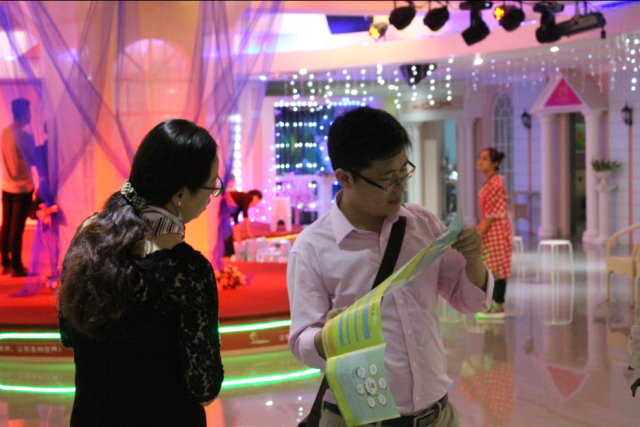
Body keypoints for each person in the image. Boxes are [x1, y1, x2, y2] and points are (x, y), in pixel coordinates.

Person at [288, 107, 494, 427]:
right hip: (360, 419)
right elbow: (302, 340)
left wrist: (474, 259)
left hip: (436, 416)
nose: (400, 187)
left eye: (403, 172)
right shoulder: (313, 247)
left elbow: (471, 301)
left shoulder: (421, 224)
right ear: (345, 178)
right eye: (387, 179)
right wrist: (328, 338)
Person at [58, 119, 225, 427]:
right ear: (180, 195)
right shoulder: (188, 270)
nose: (213, 196)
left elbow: (68, 335)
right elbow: (204, 388)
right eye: (212, 186)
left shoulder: (87, 235)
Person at [1, 98, 36, 277]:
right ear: (23, 113)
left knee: (6, 226)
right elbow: (33, 160)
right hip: (22, 188)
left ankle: (5, 263)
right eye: (29, 112)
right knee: (17, 229)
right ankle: (17, 266)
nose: (31, 116)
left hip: (6, 185)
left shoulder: (4, 133)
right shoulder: (25, 137)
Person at [476, 148, 512, 316]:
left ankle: (497, 304)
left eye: (485, 158)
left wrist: (480, 231)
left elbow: (491, 214)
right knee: (491, 266)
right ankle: (492, 304)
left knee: (496, 267)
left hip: (496, 229)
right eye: (480, 158)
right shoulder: (490, 182)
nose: (480, 161)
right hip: (492, 227)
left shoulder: (496, 183)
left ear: (494, 163)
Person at [223, 189, 262, 259]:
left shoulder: (242, 199)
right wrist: (248, 233)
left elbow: (235, 218)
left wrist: (237, 235)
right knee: (227, 236)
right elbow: (245, 217)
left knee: (228, 234)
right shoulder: (247, 197)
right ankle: (227, 257)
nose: (256, 204)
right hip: (222, 211)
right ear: (255, 197)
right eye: (258, 201)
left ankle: (227, 257)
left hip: (223, 213)